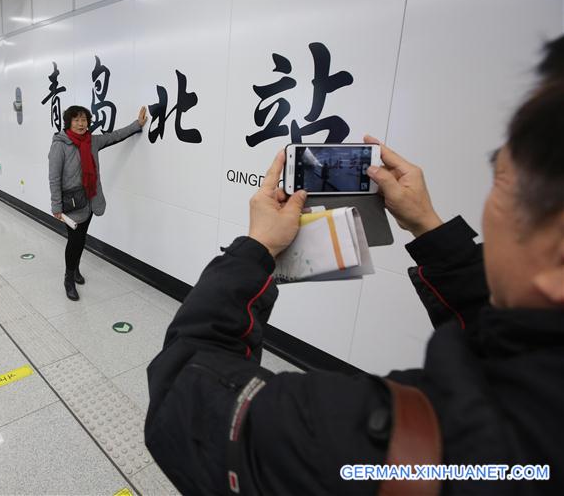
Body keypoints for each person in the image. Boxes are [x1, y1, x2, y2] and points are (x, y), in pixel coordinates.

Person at [145, 37, 564, 495]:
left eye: (502, 181)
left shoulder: (363, 446)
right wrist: (428, 227)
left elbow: (180, 395)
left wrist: (256, 246)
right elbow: (496, 341)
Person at [48, 105, 148, 301]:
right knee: (74, 241)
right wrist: (56, 206)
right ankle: (69, 278)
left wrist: (137, 124)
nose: (81, 123)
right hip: (72, 203)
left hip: (90, 200)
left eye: (84, 120)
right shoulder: (60, 145)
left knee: (82, 237)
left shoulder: (92, 141)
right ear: (69, 122)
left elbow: (115, 136)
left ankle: (75, 269)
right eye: (76, 120)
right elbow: (54, 178)